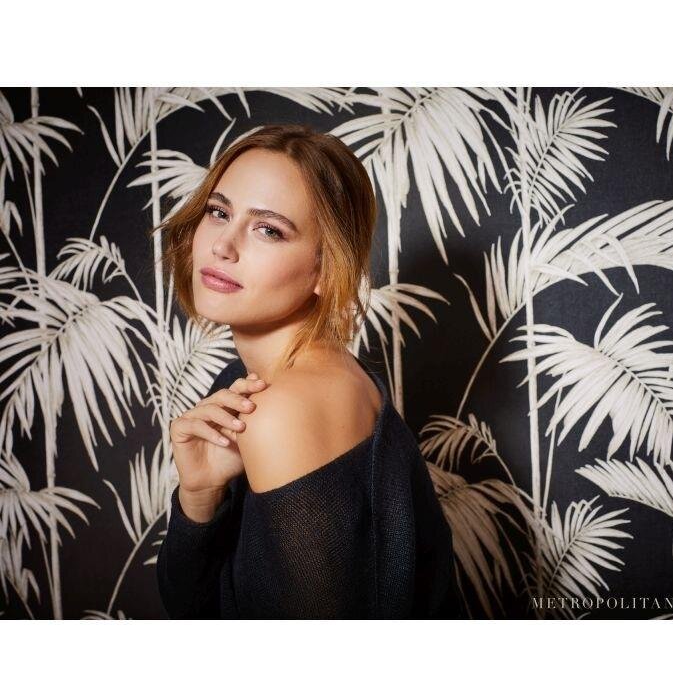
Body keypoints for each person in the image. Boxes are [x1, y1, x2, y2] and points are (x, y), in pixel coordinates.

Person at [153, 123, 465, 618]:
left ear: (325, 269)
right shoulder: (256, 384)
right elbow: (190, 608)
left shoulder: (287, 407)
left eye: (268, 229)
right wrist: (199, 496)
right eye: (219, 212)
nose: (223, 246)